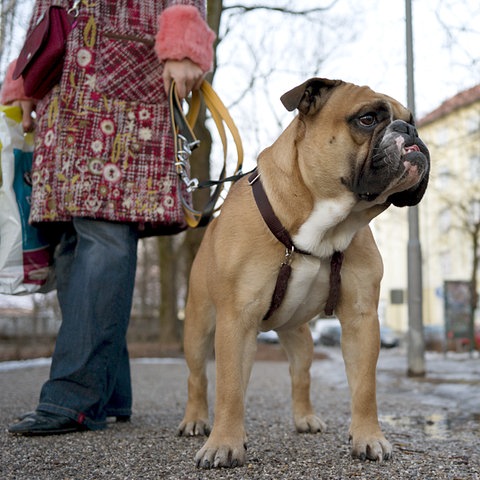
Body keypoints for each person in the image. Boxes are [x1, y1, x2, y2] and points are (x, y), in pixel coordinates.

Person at [1, 0, 215, 435]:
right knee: (71, 244)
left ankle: (74, 395)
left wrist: (184, 41)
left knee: (103, 232)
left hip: (124, 78)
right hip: (63, 89)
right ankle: (109, 389)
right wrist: (24, 80)